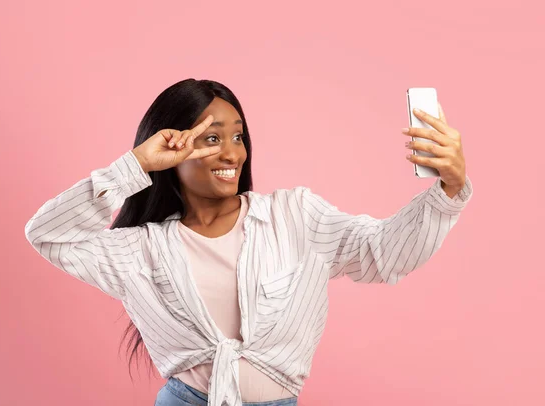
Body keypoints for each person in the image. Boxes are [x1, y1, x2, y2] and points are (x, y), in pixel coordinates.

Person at [24, 79, 473, 406]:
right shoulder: (141, 250)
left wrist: (448, 188)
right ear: (172, 149)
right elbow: (48, 236)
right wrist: (136, 165)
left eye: (238, 136)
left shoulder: (295, 216)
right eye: (211, 139)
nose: (232, 153)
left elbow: (384, 254)